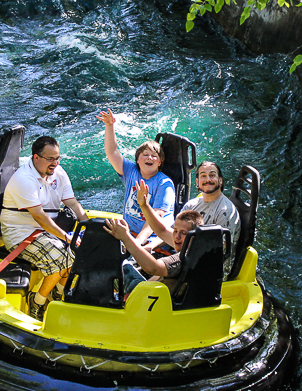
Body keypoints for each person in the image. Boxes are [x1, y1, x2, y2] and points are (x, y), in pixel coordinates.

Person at [0, 136, 88, 320]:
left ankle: (58, 293)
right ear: (36, 157)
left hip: (47, 231)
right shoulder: (24, 179)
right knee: (62, 257)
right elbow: (40, 217)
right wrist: (66, 237)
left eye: (57, 158)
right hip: (21, 234)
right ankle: (37, 301)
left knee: (77, 253)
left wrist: (87, 223)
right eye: (50, 159)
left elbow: (71, 201)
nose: (55, 163)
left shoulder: (58, 173)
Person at [96, 109, 175, 245]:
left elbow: (156, 218)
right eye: (145, 154)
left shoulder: (164, 183)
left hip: (153, 238)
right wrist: (109, 125)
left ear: (159, 162)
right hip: (130, 231)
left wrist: (137, 242)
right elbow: (112, 151)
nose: (149, 157)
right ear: (137, 160)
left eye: (154, 156)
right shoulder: (131, 171)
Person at [104, 207, 204, 294]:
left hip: (148, 300)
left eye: (183, 233)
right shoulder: (197, 248)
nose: (177, 236)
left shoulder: (184, 257)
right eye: (175, 231)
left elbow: (153, 268)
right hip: (154, 292)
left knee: (118, 264)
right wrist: (144, 205)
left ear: (194, 237)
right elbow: (162, 231)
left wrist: (126, 237)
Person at [181, 161, 240, 262]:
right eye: (203, 176)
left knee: (155, 267)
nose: (208, 180)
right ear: (197, 182)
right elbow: (172, 230)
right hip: (185, 253)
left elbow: (219, 251)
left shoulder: (225, 211)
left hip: (207, 266)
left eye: (212, 175)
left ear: (220, 180)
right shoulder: (191, 205)